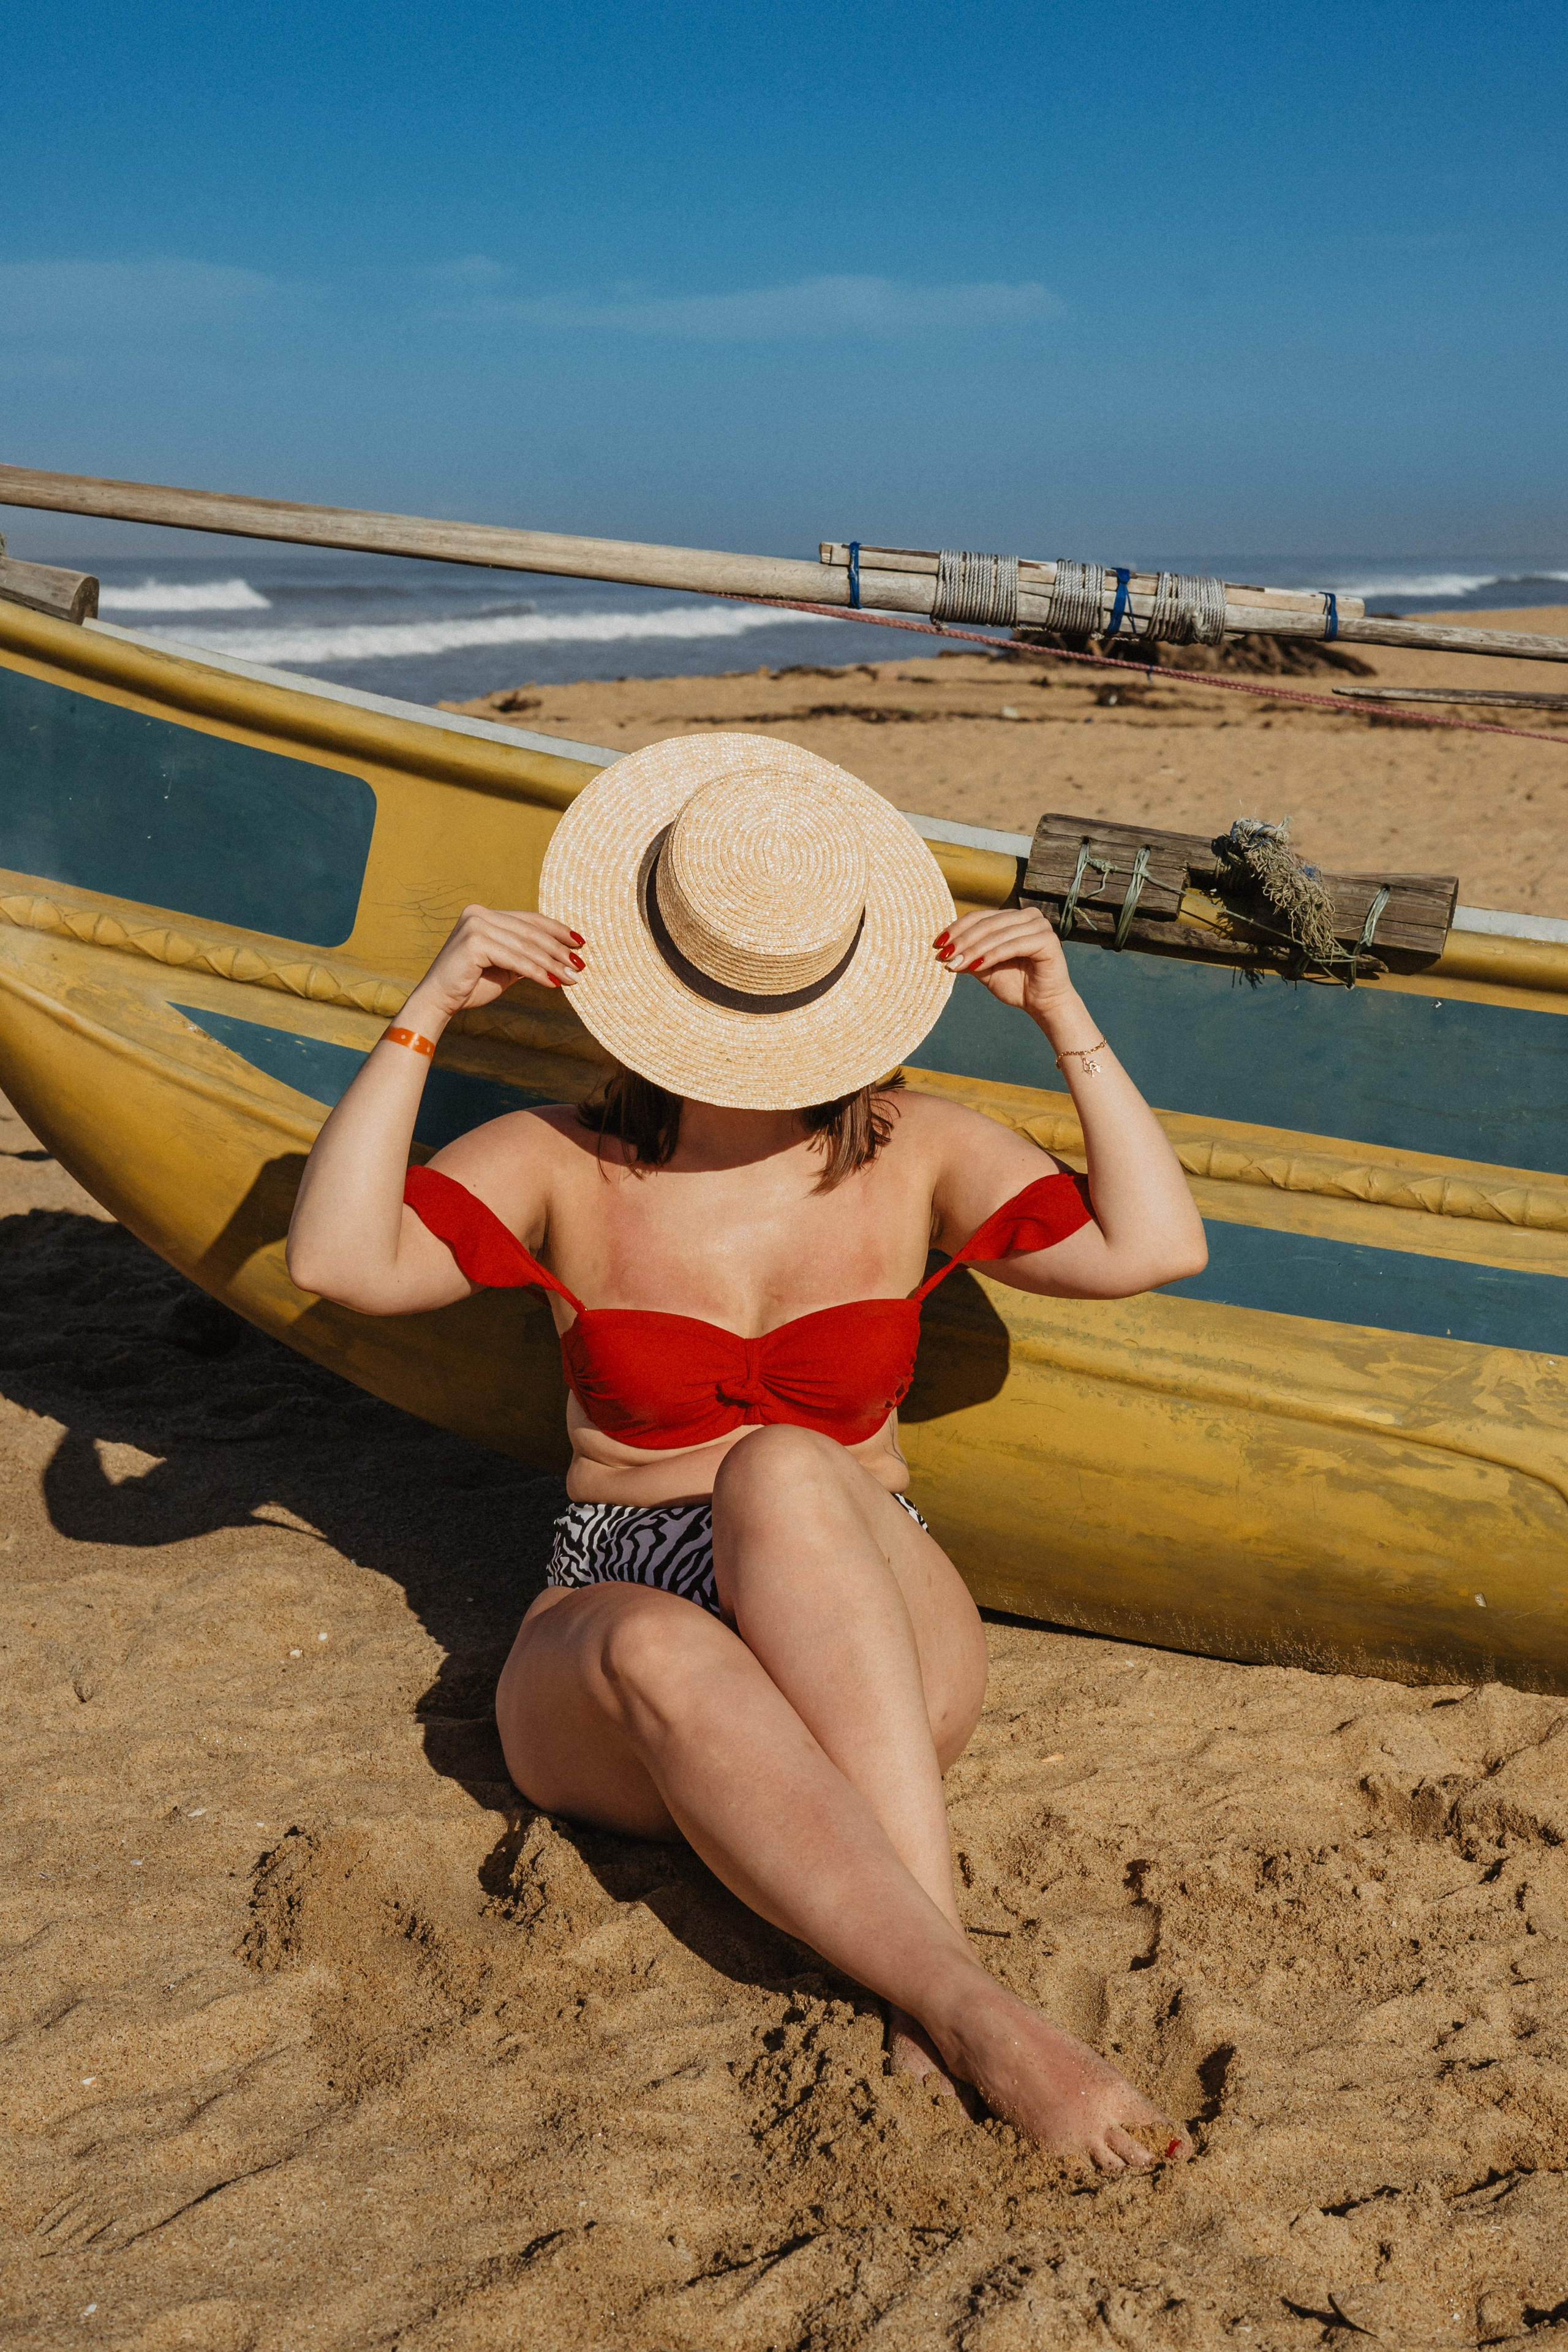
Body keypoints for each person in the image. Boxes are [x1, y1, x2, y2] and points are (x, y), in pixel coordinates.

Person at [287, 734, 1208, 2169]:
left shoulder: (918, 1147)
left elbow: (1154, 1244)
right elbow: (340, 1258)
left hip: (866, 1616)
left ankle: (942, 1993)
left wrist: (1061, 1015)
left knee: (783, 1465)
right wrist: (427, 1009)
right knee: (661, 1642)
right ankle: (968, 2010)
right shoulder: (557, 1156)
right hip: (626, 1619)